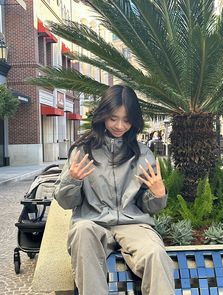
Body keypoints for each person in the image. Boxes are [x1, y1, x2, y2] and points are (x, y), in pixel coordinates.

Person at [54, 84, 174, 295]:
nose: (119, 125)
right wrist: (72, 180)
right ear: (103, 116)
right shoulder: (83, 150)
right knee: (82, 232)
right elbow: (66, 202)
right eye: (113, 118)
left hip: (133, 224)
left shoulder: (142, 154)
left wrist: (158, 194)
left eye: (127, 120)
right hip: (93, 222)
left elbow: (147, 205)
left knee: (155, 253)